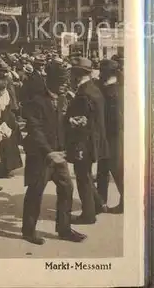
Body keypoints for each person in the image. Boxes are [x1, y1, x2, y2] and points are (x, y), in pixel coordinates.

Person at [22, 63, 86, 245]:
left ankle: (64, 229)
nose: (65, 85)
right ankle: (28, 231)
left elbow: (59, 123)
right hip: (42, 156)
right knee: (35, 192)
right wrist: (49, 152)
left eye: (65, 82)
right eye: (61, 82)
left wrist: (71, 122)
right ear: (50, 82)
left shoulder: (60, 98)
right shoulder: (36, 101)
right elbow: (35, 130)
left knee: (67, 189)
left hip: (59, 154)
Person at [65, 57, 109, 224]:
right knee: (87, 175)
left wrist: (68, 120)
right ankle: (97, 204)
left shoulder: (83, 94)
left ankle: (88, 215)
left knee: (82, 176)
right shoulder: (94, 89)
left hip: (84, 143)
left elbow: (80, 122)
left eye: (72, 73)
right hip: (95, 140)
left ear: (77, 75)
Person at [96, 59, 124, 213]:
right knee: (103, 169)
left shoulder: (111, 91)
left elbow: (115, 118)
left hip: (111, 136)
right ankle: (101, 201)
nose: (99, 74)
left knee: (115, 169)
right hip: (111, 135)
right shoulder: (117, 87)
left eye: (102, 71)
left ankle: (123, 202)